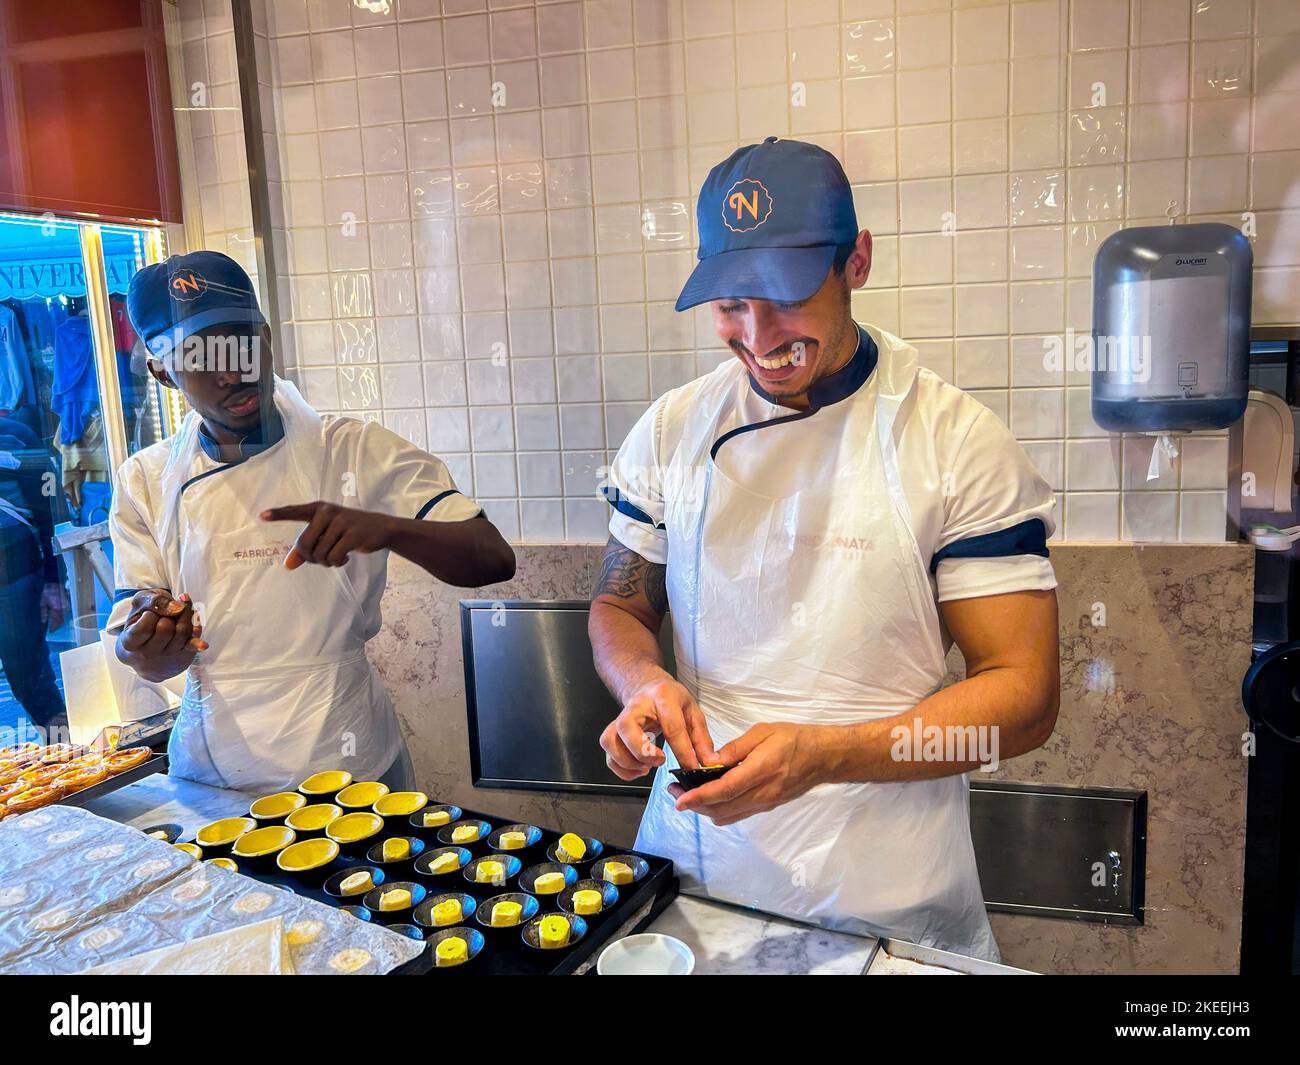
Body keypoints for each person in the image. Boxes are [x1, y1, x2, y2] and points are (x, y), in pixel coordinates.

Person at [588, 138, 1060, 960]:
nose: (759, 334)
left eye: (787, 294)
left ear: (858, 262)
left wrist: (827, 754)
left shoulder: (957, 442)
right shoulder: (671, 430)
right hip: (697, 882)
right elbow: (620, 601)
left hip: (889, 903)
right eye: (732, 303)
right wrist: (643, 683)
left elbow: (1023, 704)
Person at [106, 252, 515, 793]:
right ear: (160, 370)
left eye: (244, 341)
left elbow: (493, 558)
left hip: (352, 762)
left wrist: (388, 528)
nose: (233, 370)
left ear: (268, 337)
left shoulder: (354, 450)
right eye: (199, 356)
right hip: (214, 777)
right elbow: (156, 662)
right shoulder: (145, 480)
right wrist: (149, 643)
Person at [0, 414, 67, 735]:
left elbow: (49, 515)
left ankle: (70, 763)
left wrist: (55, 582)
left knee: (31, 680)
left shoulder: (17, 436)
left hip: (16, 579)